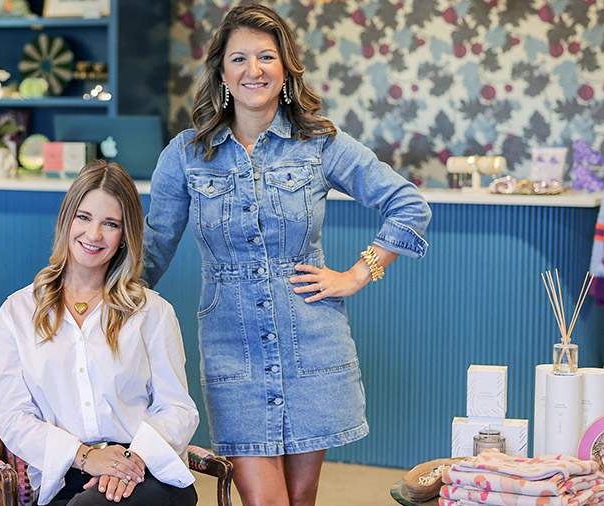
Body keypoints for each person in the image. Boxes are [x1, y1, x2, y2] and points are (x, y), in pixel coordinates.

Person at [142, 4, 432, 506]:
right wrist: (91, 302)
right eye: (239, 58)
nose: (253, 70)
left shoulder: (320, 143)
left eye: (266, 57)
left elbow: (408, 203)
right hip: (232, 349)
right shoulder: (185, 154)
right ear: (221, 72)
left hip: (313, 344)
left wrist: (359, 273)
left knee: (300, 502)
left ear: (286, 69)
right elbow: (152, 250)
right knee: (267, 502)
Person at [0, 160, 199, 506]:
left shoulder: (152, 312)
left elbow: (178, 408)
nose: (93, 235)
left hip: (143, 473)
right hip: (63, 474)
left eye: (110, 224)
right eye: (84, 218)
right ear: (66, 220)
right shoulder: (18, 312)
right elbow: (13, 417)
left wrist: (131, 460)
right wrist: (87, 458)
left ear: (124, 236)